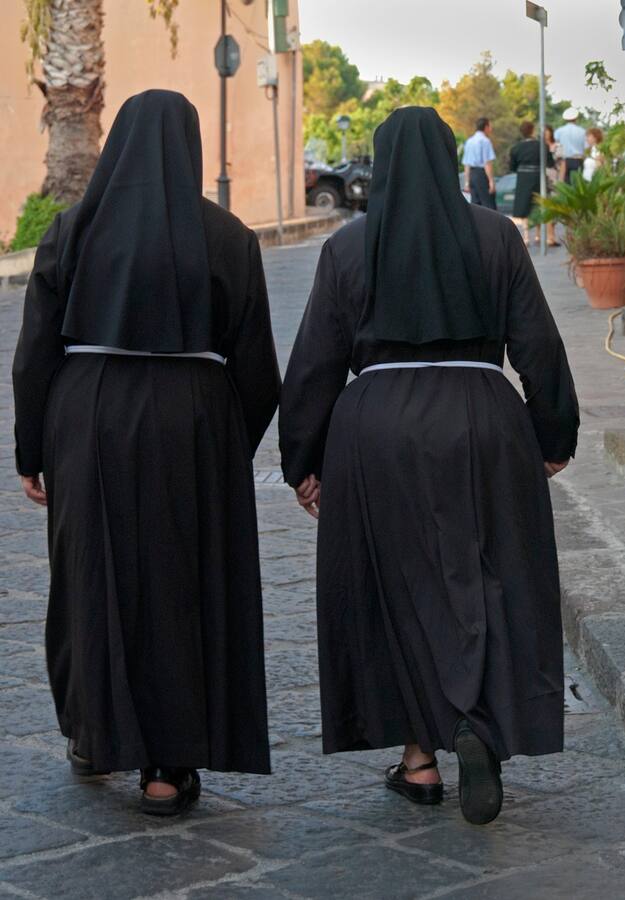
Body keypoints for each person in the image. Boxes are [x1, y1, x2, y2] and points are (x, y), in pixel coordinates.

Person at [279, 107, 579, 826]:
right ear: (450, 159)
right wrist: (551, 433)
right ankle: (477, 721)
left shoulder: (348, 248)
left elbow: (316, 361)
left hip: (374, 427)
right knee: (486, 576)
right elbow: (537, 343)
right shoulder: (496, 237)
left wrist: (304, 459)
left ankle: (417, 758)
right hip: (480, 415)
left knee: (394, 587)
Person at [11, 90, 280, 815]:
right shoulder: (227, 237)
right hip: (191, 417)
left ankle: (96, 736)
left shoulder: (71, 231)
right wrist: (226, 446)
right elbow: (256, 368)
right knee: (183, 584)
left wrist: (31, 447)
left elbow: (35, 352)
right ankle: (167, 767)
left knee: (89, 575)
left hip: (86, 412)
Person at [509, 120, 543, 246]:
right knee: (538, 204)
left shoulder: (516, 148)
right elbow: (549, 162)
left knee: (524, 206)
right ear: (533, 130)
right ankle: (538, 235)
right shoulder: (541, 145)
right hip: (538, 177)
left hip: (523, 177)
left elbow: (512, 167)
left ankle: (526, 236)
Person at [462, 116, 497, 209]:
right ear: (485, 127)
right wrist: (491, 181)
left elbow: (466, 163)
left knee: (475, 205)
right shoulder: (485, 141)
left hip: (472, 175)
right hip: (482, 174)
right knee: (488, 205)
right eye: (490, 126)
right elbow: (487, 163)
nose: (491, 129)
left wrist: (466, 182)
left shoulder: (469, 141)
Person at [554, 107, 587, 184]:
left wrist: (559, 162)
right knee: (578, 185)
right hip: (579, 160)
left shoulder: (559, 131)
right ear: (576, 118)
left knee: (565, 186)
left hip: (565, 162)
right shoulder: (582, 131)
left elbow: (558, 147)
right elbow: (586, 148)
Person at [543, 125, 561, 246]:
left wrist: (560, 180)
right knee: (545, 207)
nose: (545, 134)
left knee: (554, 207)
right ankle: (549, 237)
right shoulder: (539, 147)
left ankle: (552, 235)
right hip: (542, 178)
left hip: (554, 177)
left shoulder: (557, 146)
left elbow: (561, 164)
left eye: (547, 131)